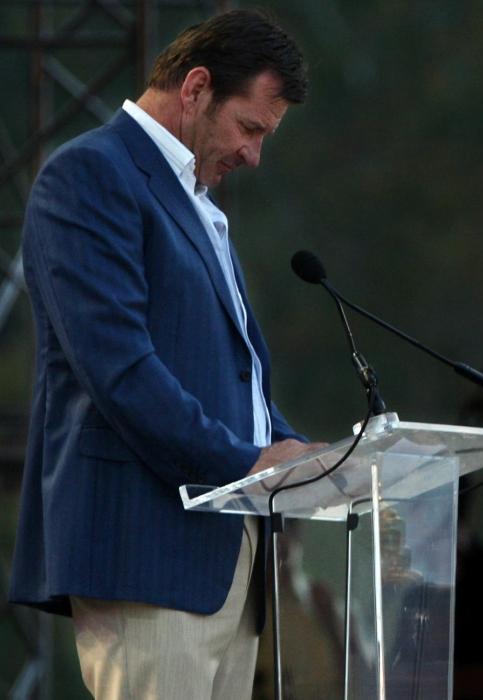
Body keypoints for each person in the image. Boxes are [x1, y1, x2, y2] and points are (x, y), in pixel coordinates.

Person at [8, 9, 322, 698]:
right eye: (249, 128)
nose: (253, 155)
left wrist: (306, 454)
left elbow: (233, 377)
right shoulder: (90, 175)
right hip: (146, 554)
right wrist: (247, 463)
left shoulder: (198, 202)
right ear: (196, 88)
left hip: (228, 563)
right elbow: (120, 371)